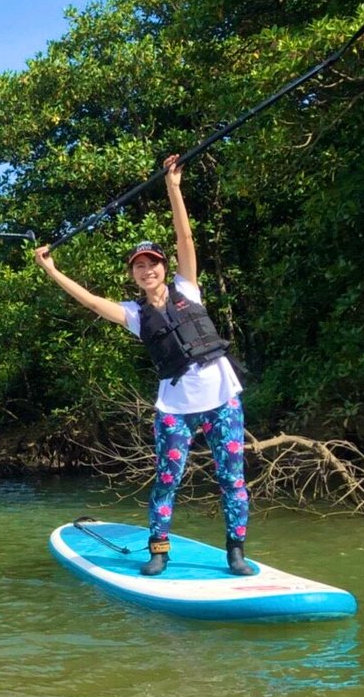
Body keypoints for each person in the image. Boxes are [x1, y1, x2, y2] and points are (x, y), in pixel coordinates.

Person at [34, 154, 253, 576]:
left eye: (152, 263)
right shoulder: (135, 315)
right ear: (134, 276)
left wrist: (173, 186)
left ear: (163, 268)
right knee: (168, 479)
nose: (147, 269)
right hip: (175, 409)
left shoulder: (187, 287)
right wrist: (52, 269)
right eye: (139, 266)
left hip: (223, 398)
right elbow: (91, 302)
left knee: (233, 479)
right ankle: (159, 550)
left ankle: (236, 550)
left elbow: (185, 237)